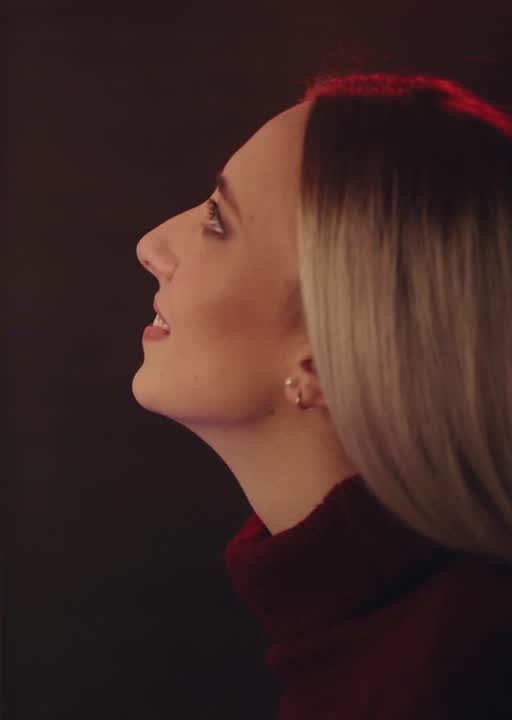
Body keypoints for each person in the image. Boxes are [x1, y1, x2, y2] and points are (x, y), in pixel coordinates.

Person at [132, 73, 512, 718]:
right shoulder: (370, 630)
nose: (152, 245)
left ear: (324, 351)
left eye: (218, 220)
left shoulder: (453, 676)